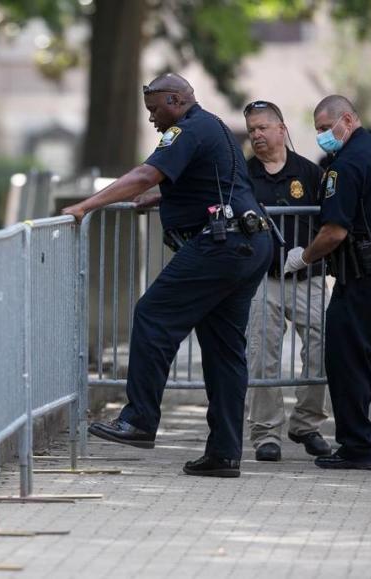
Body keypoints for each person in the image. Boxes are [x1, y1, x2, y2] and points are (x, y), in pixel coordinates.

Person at [62, 73, 272, 478]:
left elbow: (144, 174)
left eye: (155, 109)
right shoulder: (215, 129)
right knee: (224, 351)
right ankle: (225, 453)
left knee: (153, 315)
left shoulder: (187, 130)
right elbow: (224, 181)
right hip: (249, 244)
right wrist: (166, 195)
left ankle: (139, 419)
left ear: (176, 100)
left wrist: (85, 206)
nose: (153, 119)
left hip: (221, 247)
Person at [284, 95, 371, 469]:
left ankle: (356, 447)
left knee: (347, 360)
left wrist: (303, 257)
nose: (322, 135)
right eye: (318, 130)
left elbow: (335, 232)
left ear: (349, 120)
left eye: (326, 128)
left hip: (364, 276)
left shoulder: (345, 166)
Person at [242, 100, 332, 462]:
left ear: (282, 129)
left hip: (307, 275)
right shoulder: (243, 176)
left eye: (263, 127)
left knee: (323, 350)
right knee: (263, 355)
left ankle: (306, 424)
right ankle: (266, 433)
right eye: (251, 130)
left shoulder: (310, 173)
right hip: (263, 278)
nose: (257, 135)